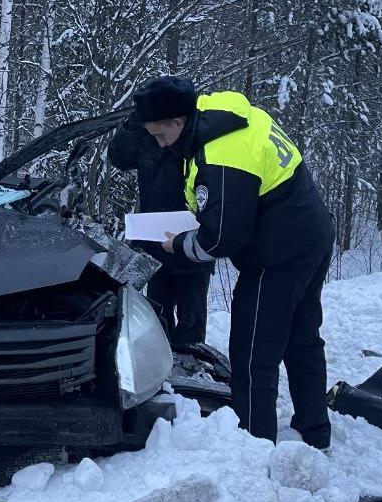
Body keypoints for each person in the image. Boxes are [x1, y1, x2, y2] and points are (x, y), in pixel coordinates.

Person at [131, 76, 334, 449]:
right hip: (311, 233)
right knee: (302, 337)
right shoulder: (219, 114)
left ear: (178, 122)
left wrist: (180, 243)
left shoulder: (221, 155)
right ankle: (315, 430)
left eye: (160, 135)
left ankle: (255, 447)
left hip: (278, 252)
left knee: (254, 350)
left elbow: (223, 237)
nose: (159, 144)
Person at [108, 105, 214, 351]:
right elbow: (119, 157)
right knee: (157, 318)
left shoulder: (199, 137)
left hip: (194, 243)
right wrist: (130, 125)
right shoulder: (146, 139)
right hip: (156, 244)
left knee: (191, 324)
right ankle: (161, 373)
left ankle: (191, 370)